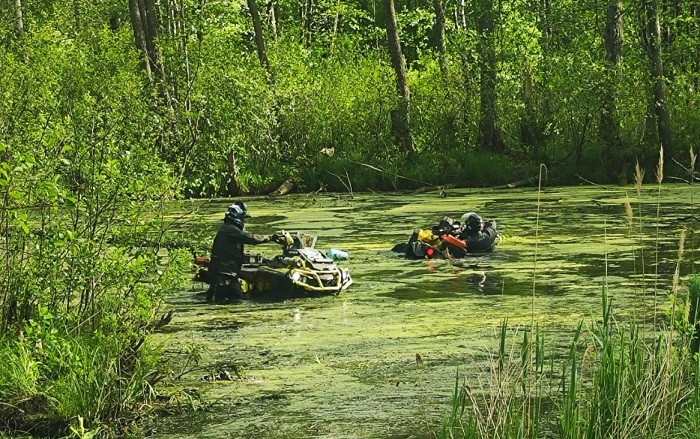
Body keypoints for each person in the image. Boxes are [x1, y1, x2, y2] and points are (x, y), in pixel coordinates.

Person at [206, 202, 277, 304]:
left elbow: (234, 254)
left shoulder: (228, 230)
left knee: (238, 299)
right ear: (238, 217)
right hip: (222, 275)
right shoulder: (230, 229)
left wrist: (262, 260)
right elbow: (250, 238)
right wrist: (269, 237)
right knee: (217, 302)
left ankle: (234, 318)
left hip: (230, 275)